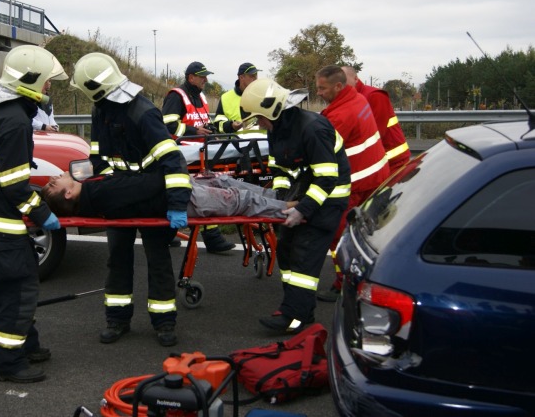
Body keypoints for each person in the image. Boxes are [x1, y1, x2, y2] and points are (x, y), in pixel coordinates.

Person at [69, 52, 192, 347]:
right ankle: (117, 319)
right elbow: (98, 157)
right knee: (117, 260)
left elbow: (173, 161)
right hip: (122, 198)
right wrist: (96, 179)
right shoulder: (101, 110)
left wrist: (176, 204)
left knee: (158, 259)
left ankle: (164, 323)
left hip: (150, 196)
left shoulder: (143, 113)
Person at [0, 45, 65, 383]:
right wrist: (45, 214)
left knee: (19, 287)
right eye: (47, 82)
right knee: (18, 292)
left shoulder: (0, 111)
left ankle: (26, 346)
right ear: (31, 81)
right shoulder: (16, 122)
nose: (49, 88)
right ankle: (6, 364)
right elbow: (15, 187)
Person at [240, 78, 351, 334]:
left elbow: (327, 178)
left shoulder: (313, 128)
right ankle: (297, 307)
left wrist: (304, 209)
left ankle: (295, 317)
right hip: (301, 195)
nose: (258, 123)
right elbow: (279, 167)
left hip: (327, 199)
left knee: (304, 257)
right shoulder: (276, 129)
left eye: (259, 118)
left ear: (273, 110)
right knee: (287, 252)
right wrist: (281, 195)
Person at [314, 65, 390, 302]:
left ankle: (344, 283)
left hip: (356, 184)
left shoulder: (339, 116)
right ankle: (372, 276)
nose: (318, 93)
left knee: (339, 236)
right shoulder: (357, 99)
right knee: (367, 233)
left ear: (338, 86)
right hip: (375, 177)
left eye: (322, 88)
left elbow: (319, 152)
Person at [162, 61, 235, 253]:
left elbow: (206, 123)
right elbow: (168, 125)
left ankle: (167, 234)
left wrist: (219, 130)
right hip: (183, 153)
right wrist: (193, 130)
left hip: (202, 151)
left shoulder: (200, 97)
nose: (206, 79)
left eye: (206, 76)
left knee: (204, 189)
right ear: (190, 77)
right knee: (202, 190)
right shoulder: (176, 96)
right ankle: (211, 237)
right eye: (202, 76)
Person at [41, 169, 293, 220]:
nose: (53, 179)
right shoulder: (101, 193)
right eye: (53, 185)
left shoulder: (93, 190)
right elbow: (147, 185)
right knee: (241, 200)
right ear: (68, 194)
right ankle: (290, 209)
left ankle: (276, 196)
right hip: (181, 197)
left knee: (223, 178)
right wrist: (173, 170)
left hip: (177, 189)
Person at [341, 66, 411, 173]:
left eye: (344, 80)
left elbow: (375, 134)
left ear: (356, 78)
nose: (341, 85)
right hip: (378, 162)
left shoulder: (374, 96)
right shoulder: (350, 99)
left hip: (394, 161)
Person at [213, 62, 260, 134]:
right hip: (236, 143)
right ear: (241, 77)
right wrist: (231, 126)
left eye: (256, 75)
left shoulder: (262, 95)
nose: (255, 79)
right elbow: (218, 124)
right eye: (252, 76)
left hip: (262, 142)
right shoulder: (225, 98)